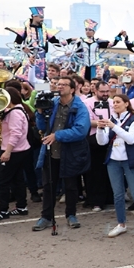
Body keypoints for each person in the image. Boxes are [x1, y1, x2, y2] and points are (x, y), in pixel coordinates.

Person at [33, 77, 91, 230]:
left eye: (64, 85)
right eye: (59, 84)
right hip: (51, 152)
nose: (60, 87)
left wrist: (57, 135)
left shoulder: (80, 107)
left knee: (71, 186)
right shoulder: (52, 103)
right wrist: (39, 112)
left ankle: (71, 215)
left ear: (72, 89)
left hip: (70, 152)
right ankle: (45, 217)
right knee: (48, 186)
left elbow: (81, 130)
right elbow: (41, 126)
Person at [95, 94, 134, 239]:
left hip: (130, 160)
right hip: (113, 160)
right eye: (113, 102)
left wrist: (114, 126)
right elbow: (102, 142)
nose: (115, 104)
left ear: (126, 104)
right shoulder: (112, 119)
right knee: (118, 194)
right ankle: (121, 224)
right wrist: (101, 129)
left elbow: (131, 139)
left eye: (118, 102)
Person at [0, 87, 33, 222]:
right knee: (17, 180)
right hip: (19, 150)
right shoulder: (16, 110)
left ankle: (3, 210)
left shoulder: (15, 113)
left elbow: (15, 133)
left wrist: (7, 151)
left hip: (14, 151)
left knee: (1, 181)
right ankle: (21, 206)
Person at [83, 81, 113, 211]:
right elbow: (87, 121)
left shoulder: (113, 102)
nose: (105, 94)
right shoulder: (87, 103)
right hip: (93, 140)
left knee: (109, 171)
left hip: (110, 139)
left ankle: (109, 198)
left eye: (107, 91)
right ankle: (96, 200)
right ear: (95, 90)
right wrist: (103, 123)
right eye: (102, 92)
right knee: (95, 172)